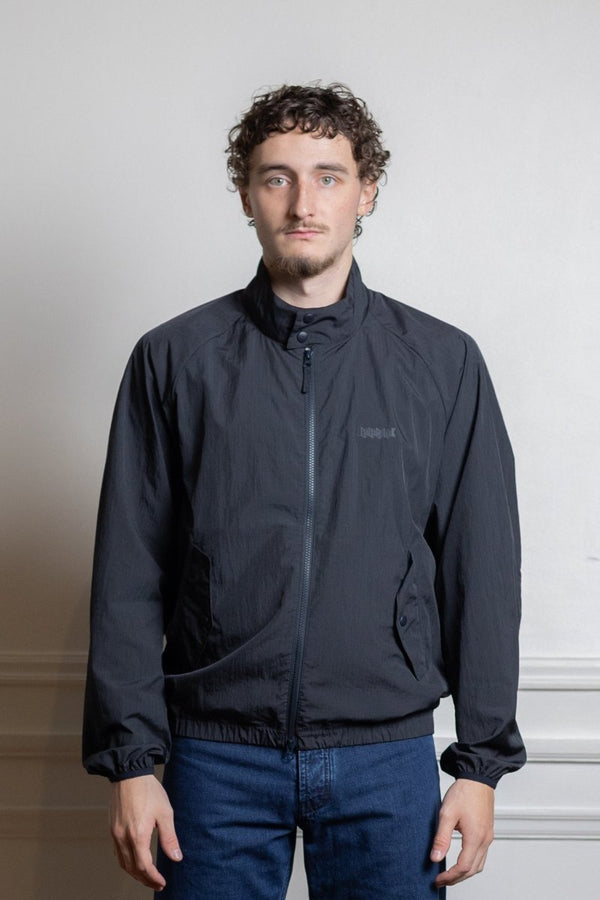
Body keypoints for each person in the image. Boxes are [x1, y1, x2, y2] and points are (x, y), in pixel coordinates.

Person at [82, 82, 526, 899]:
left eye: (328, 175)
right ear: (246, 195)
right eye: (276, 177)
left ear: (367, 192)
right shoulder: (174, 360)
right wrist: (132, 764)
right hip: (214, 758)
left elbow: (483, 571)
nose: (302, 202)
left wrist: (480, 765)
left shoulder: (442, 362)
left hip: (385, 759)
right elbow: (127, 575)